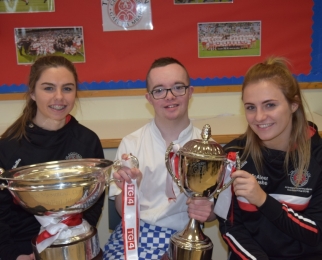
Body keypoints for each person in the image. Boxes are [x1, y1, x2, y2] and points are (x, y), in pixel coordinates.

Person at [103, 57, 215, 259]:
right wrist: (131, 188)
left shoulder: (208, 148)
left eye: (177, 87)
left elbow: (214, 210)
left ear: (190, 92)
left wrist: (208, 209)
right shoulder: (131, 144)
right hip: (134, 233)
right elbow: (122, 211)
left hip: (184, 236)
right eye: (159, 90)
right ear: (149, 98)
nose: (169, 96)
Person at [0, 55, 105, 260]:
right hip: (23, 248)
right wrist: (13, 255)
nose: (59, 97)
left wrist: (75, 240)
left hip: (75, 241)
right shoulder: (8, 146)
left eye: (67, 88)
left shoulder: (87, 140)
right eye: (48, 88)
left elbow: (95, 201)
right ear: (32, 92)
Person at [218, 57, 322, 259]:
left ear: (293, 105)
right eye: (250, 107)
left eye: (270, 105)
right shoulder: (233, 156)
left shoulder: (317, 158)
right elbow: (230, 228)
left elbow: (317, 234)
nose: (259, 117)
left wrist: (263, 200)